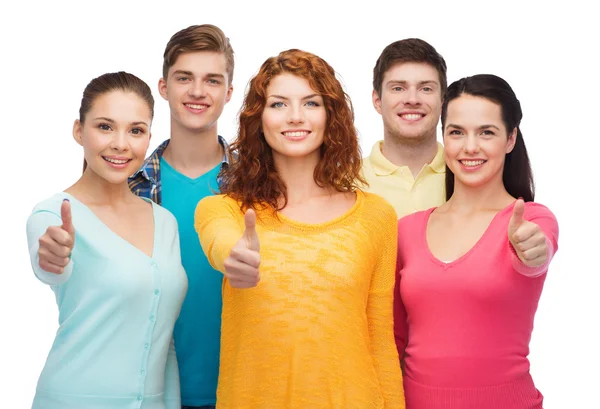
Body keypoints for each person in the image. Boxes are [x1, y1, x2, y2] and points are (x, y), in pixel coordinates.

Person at [195, 49, 404, 408]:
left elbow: (380, 341)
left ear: (330, 115)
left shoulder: (376, 217)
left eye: (310, 103)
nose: (295, 117)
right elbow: (222, 242)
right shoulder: (223, 211)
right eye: (278, 104)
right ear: (258, 119)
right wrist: (235, 256)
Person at [394, 74, 559, 409]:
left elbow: (537, 253)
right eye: (456, 132)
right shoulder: (406, 230)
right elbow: (395, 338)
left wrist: (532, 251)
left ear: (511, 138)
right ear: (444, 137)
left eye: (487, 132)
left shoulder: (530, 220)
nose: (470, 147)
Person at [26, 71, 188, 409]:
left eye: (135, 130)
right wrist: (53, 258)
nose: (120, 143)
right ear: (78, 131)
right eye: (105, 126)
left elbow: (164, 340)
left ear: (148, 138)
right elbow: (50, 266)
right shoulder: (52, 215)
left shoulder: (165, 222)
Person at [128, 24, 234, 409]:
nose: (197, 91)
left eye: (212, 80)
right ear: (163, 86)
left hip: (241, 391)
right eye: (184, 78)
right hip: (149, 393)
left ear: (228, 93)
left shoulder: (259, 187)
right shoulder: (127, 185)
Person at [361, 38, 447, 218]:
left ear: (443, 101)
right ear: (377, 101)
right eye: (398, 88)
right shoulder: (344, 183)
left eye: (426, 89)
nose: (412, 99)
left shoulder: (470, 176)